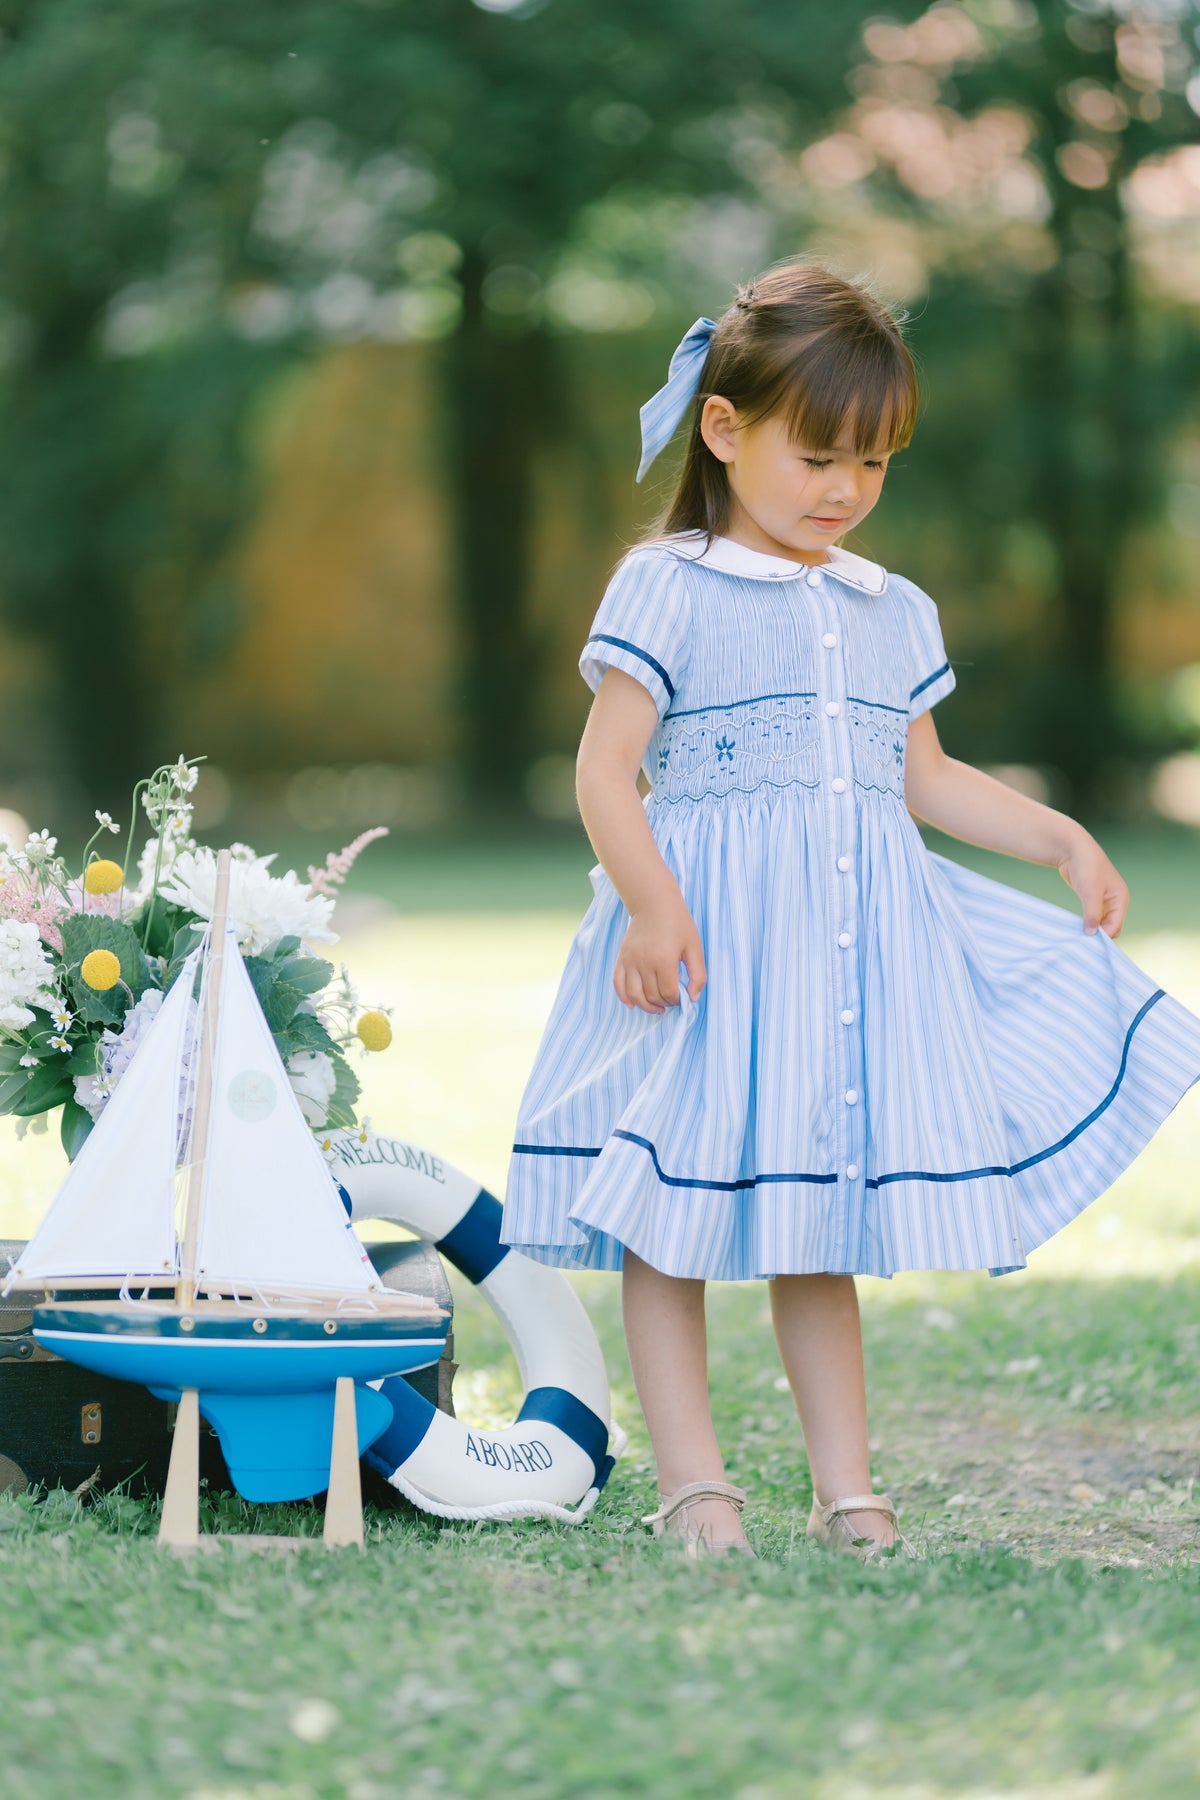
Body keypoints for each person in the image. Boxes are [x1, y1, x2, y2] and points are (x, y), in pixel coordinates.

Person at [499, 255, 1200, 1559]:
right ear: (724, 428)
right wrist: (651, 905)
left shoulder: (892, 609)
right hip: (703, 954)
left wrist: (1055, 832)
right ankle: (696, 1486)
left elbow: (922, 778)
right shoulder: (671, 584)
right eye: (819, 455)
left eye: (872, 464)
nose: (845, 490)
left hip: (832, 965)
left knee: (816, 1223)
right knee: (675, 1220)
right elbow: (607, 770)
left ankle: (847, 1487)